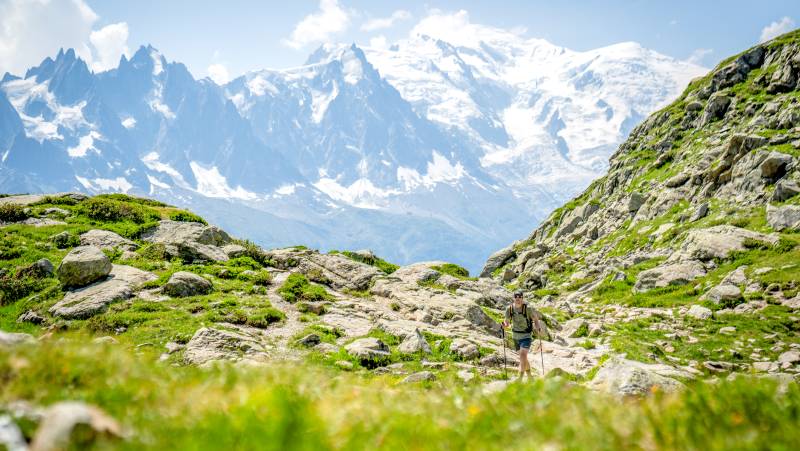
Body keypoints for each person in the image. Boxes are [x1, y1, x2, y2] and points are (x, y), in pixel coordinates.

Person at [502, 289, 546, 380]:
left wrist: (538, 327)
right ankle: (530, 376)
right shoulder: (509, 309)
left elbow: (535, 320)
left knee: (522, 355)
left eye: (520, 297)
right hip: (515, 336)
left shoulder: (528, 309)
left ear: (522, 298)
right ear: (513, 298)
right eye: (516, 297)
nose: (518, 299)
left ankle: (520, 378)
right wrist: (504, 325)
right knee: (524, 358)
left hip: (526, 336)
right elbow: (507, 322)